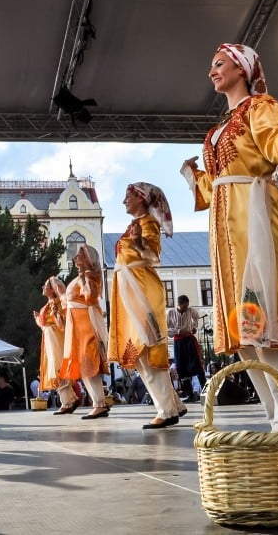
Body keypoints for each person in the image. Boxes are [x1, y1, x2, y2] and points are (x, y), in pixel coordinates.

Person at [181, 43, 278, 431]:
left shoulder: (260, 107)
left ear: (241, 70)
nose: (212, 71)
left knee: (265, 318)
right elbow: (213, 187)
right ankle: (274, 415)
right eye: (211, 65)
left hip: (256, 214)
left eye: (219, 64)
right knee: (245, 331)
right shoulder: (215, 131)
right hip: (226, 227)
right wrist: (191, 176)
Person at [109, 183, 187, 429]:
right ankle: (172, 405)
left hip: (142, 290)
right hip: (131, 291)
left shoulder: (148, 225)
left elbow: (153, 257)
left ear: (141, 199)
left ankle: (166, 410)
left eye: (127, 196)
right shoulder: (134, 226)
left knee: (147, 349)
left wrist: (139, 242)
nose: (124, 202)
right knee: (140, 353)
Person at [59, 244, 110, 420]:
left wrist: (82, 280)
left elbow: (91, 297)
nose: (75, 259)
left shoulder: (90, 276)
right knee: (84, 366)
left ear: (88, 259)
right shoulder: (82, 277)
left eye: (79, 256)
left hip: (86, 325)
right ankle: (98, 403)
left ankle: (99, 404)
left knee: (89, 365)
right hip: (78, 325)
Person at [34, 276, 79, 415]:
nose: (43, 288)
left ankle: (67, 402)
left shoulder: (56, 303)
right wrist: (38, 319)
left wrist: (54, 314)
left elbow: (61, 325)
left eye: (45, 286)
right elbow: (45, 325)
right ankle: (69, 399)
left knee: (59, 369)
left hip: (55, 338)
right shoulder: (50, 304)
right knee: (56, 368)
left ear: (52, 289)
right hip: (49, 337)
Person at [167, 295, 207, 399]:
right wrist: (179, 331)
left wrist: (194, 328)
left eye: (187, 306)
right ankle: (189, 393)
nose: (186, 308)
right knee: (181, 367)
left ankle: (205, 391)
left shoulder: (191, 311)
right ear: (179, 304)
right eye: (184, 306)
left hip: (189, 340)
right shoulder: (171, 313)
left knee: (196, 364)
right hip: (178, 342)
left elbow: (196, 320)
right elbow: (168, 330)